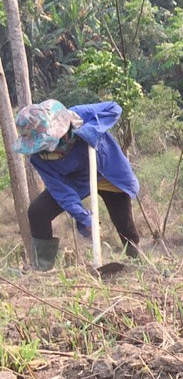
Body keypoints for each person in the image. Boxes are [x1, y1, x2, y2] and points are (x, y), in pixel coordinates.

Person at [14, 99, 141, 271]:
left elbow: (114, 108)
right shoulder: (38, 157)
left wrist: (90, 130)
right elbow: (61, 191)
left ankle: (137, 265)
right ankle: (42, 270)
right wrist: (84, 217)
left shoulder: (75, 115)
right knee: (37, 211)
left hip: (107, 172)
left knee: (124, 224)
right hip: (76, 182)